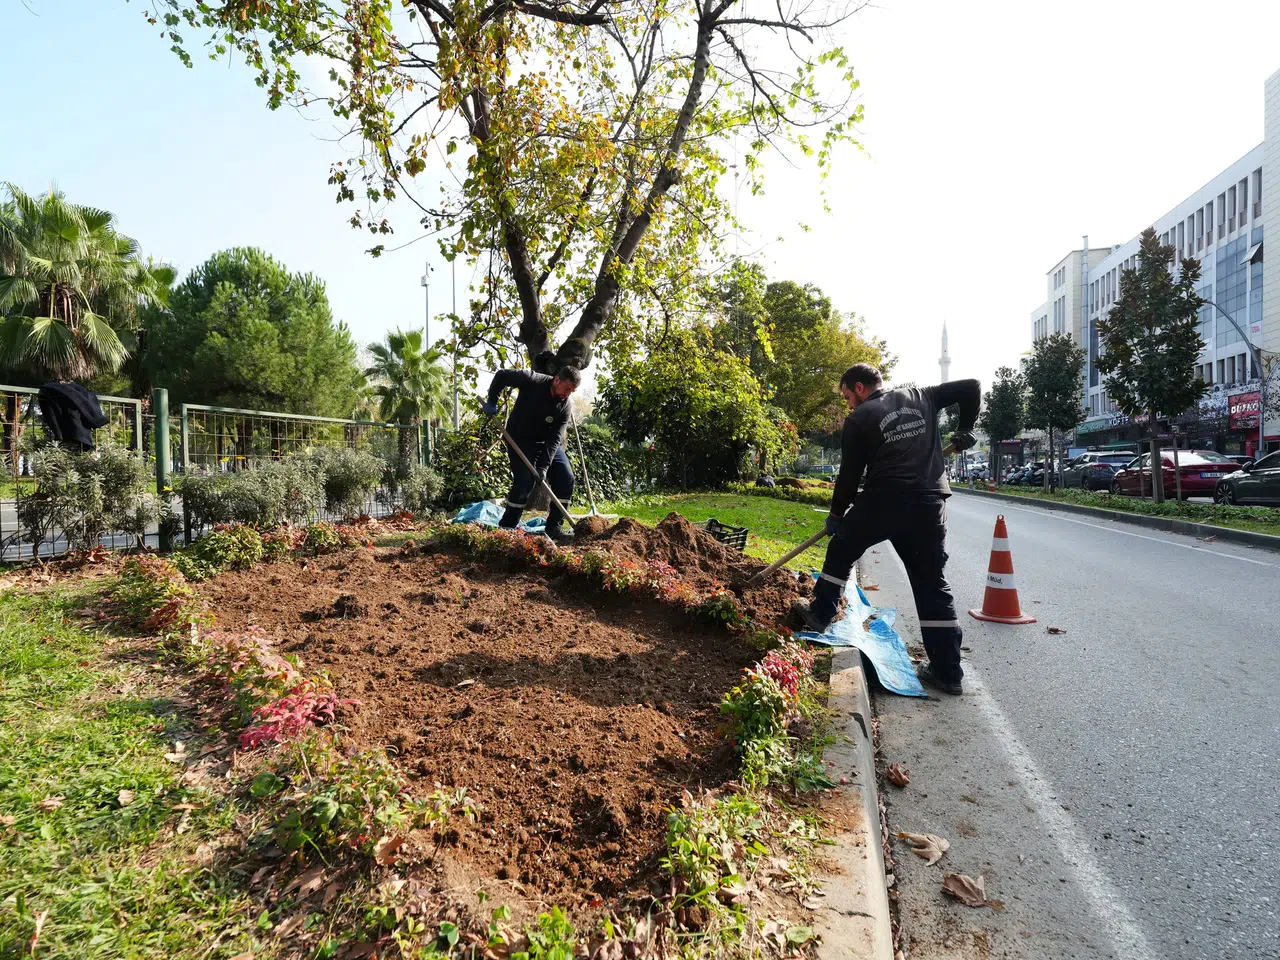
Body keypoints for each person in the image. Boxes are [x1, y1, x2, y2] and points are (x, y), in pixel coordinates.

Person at [792, 363, 980, 696]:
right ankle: (948, 671)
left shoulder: (860, 418)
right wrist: (965, 427)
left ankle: (821, 613)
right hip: (928, 504)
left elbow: (849, 477)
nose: (848, 404)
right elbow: (971, 387)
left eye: (848, 396)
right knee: (931, 584)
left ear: (860, 388)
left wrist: (837, 515)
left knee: (842, 548)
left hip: (885, 500)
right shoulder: (923, 396)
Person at [481, 365, 581, 541]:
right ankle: (507, 528)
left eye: (571, 391)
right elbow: (502, 376)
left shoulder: (564, 406)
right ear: (557, 379)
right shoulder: (532, 379)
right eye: (566, 389)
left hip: (545, 442)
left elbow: (555, 439)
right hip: (520, 439)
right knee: (524, 481)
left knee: (566, 478)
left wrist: (543, 466)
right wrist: (492, 401)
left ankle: (553, 528)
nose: (567, 394)